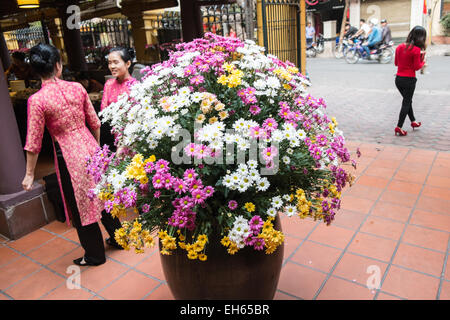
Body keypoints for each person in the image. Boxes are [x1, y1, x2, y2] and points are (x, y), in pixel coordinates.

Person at [22, 44, 122, 267]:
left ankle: (95, 255)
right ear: (58, 65)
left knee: (82, 205)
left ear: (37, 71)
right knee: (103, 194)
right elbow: (95, 122)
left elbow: (33, 142)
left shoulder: (37, 100)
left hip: (67, 154)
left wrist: (29, 174)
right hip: (90, 146)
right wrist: (95, 148)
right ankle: (119, 238)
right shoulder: (77, 87)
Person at [100, 47, 137, 150]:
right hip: (116, 133)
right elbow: (104, 109)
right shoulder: (109, 84)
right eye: (110, 63)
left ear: (128, 64)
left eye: (116, 62)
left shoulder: (135, 86)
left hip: (133, 133)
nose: (112, 66)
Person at [394, 26, 426, 136]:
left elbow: (396, 63)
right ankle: (399, 126)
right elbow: (417, 67)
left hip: (398, 79)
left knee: (408, 101)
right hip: (409, 80)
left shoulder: (399, 47)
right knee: (406, 102)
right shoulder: (416, 50)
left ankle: (413, 121)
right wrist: (423, 62)